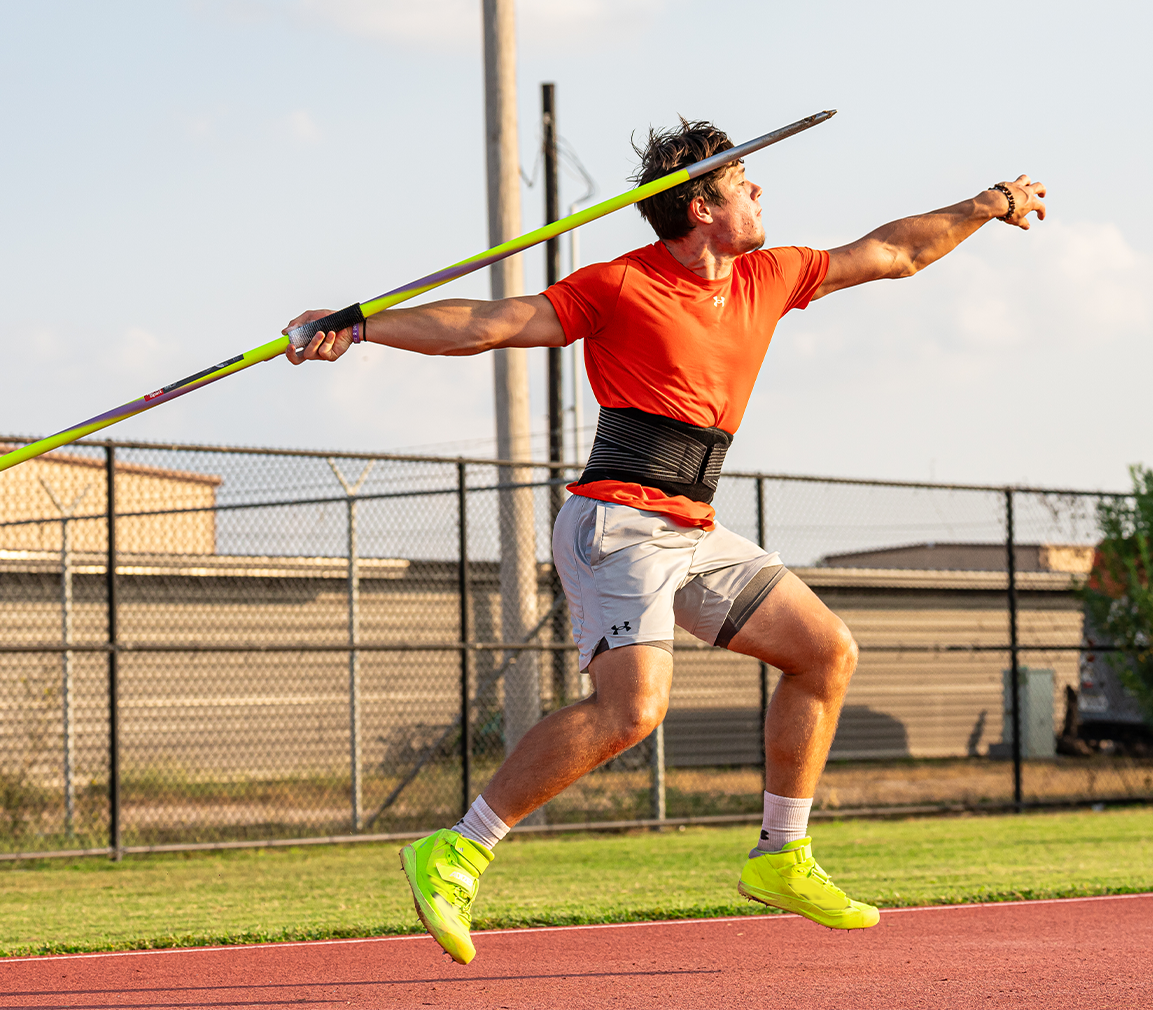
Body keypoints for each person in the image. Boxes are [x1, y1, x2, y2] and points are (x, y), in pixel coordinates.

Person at [284, 118, 1045, 964]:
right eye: (743, 181)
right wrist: (359, 326)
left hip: (692, 523)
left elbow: (894, 252)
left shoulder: (771, 274)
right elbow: (489, 323)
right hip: (619, 521)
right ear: (700, 204)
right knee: (632, 711)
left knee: (824, 653)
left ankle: (782, 855)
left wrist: (986, 205)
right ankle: (456, 849)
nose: (759, 190)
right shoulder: (618, 286)